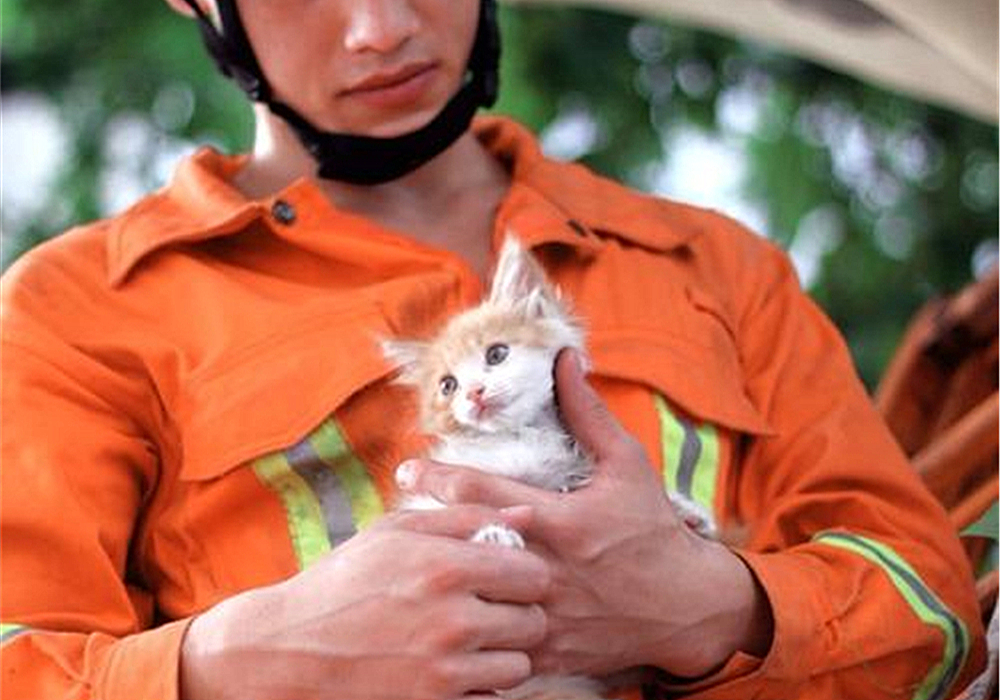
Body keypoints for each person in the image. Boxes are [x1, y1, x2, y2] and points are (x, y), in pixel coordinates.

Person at [0, 1, 986, 698]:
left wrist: (713, 609)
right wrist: (241, 660)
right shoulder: (78, 310)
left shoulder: (719, 269)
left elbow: (936, 620)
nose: (380, 26)